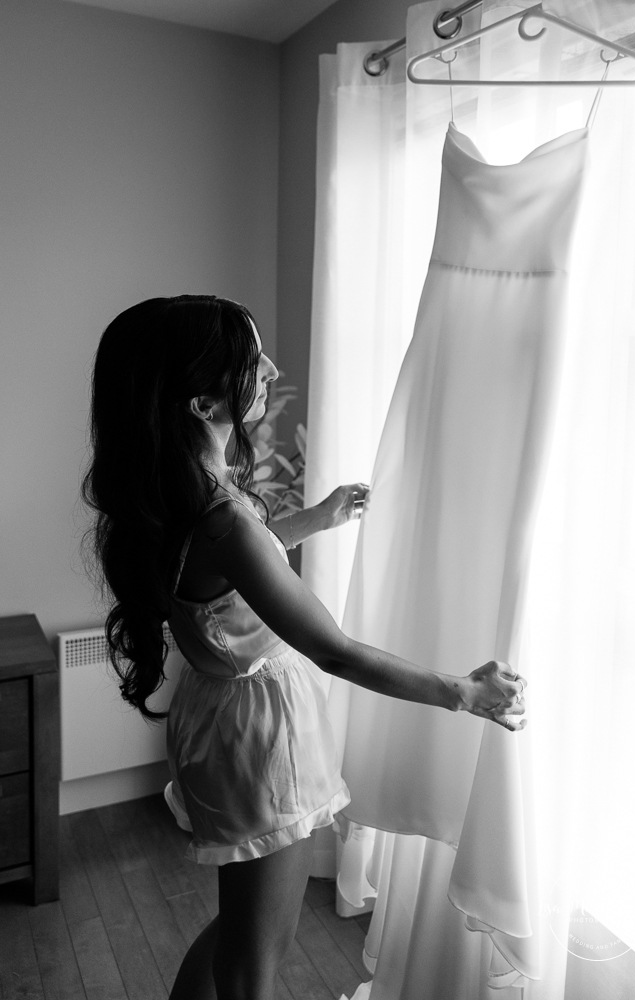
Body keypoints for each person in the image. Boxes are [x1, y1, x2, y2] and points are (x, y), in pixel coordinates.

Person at [82, 295, 527, 1000]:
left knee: (240, 932)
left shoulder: (174, 493)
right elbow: (337, 652)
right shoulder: (223, 518)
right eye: (253, 362)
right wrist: (461, 692)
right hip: (262, 739)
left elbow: (225, 578)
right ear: (201, 403)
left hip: (219, 715)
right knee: (261, 953)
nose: (271, 369)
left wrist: (311, 521)